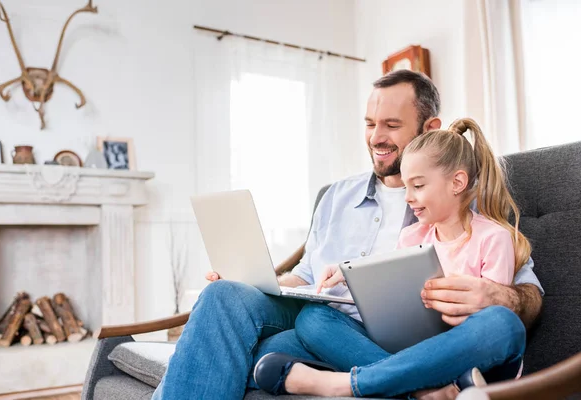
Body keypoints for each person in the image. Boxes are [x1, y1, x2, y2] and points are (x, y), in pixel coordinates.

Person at [152, 70, 543, 400]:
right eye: (370, 124)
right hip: (328, 321)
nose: (376, 137)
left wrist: (498, 295)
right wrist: (255, 281)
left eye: (392, 125)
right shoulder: (336, 196)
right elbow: (304, 277)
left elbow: (526, 295)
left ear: (429, 129)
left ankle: (374, 382)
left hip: (392, 337)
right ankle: (423, 386)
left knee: (272, 351)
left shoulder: (462, 203)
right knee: (226, 295)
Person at [254, 117, 532, 398]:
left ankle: (347, 384)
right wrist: (351, 275)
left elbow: (486, 325)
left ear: (457, 182)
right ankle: (425, 392)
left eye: (419, 186)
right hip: (410, 349)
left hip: (464, 355)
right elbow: (395, 300)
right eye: (406, 187)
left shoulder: (493, 238)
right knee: (313, 318)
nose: (408, 197)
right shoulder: (412, 236)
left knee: (502, 323)